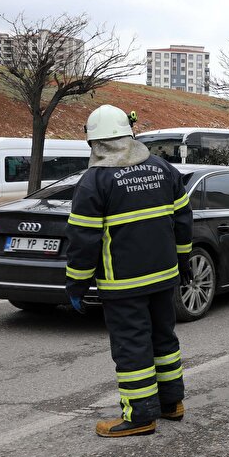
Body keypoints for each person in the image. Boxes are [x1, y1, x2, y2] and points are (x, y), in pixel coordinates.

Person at [65, 104, 193, 438]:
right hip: (164, 277)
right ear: (129, 134)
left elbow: (83, 239)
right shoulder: (163, 169)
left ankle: (139, 417)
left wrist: (76, 285)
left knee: (132, 346)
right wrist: (182, 264)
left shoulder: (94, 181)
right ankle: (171, 404)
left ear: (95, 144)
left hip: (123, 283)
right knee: (163, 340)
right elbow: (183, 222)